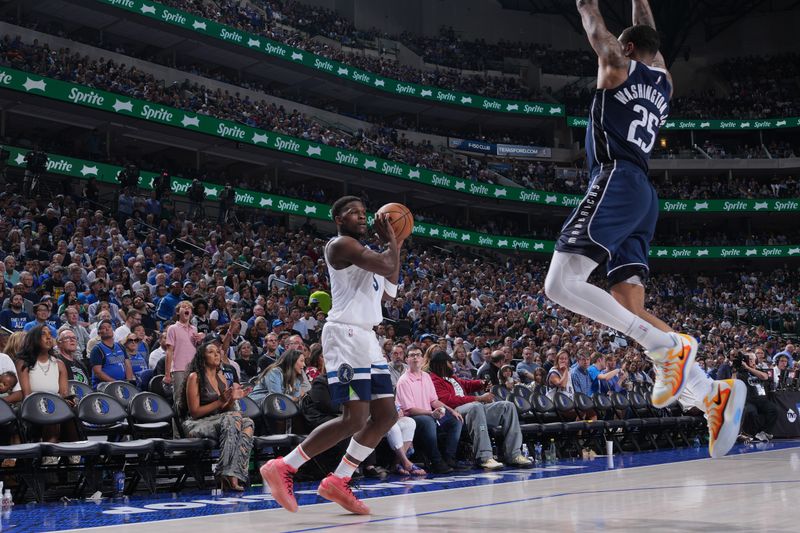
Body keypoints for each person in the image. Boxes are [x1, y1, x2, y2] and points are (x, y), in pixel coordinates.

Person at [543, 0, 745, 458]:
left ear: (626, 46)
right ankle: (709, 393)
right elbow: (650, 39)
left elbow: (595, 25)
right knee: (628, 308)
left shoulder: (615, 65)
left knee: (559, 284)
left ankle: (669, 348)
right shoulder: (665, 83)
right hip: (642, 196)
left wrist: (586, 6)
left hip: (614, 179)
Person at [261, 196, 403, 515]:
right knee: (354, 417)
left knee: (386, 416)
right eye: (354, 213)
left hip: (367, 338)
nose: (362, 217)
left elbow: (392, 291)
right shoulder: (341, 245)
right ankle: (284, 465)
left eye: (365, 213)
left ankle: (339, 479)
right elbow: (388, 264)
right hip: (345, 335)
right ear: (338, 218)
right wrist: (393, 240)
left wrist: (398, 240)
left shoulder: (371, 255)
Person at [428, 350, 531, 468]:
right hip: (454, 412)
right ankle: (484, 457)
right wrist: (478, 398)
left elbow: (466, 384)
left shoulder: (451, 377)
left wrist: (482, 383)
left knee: (508, 406)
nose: (452, 365)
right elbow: (447, 401)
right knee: (476, 406)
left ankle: (514, 454)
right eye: (450, 363)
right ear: (442, 364)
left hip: (472, 409)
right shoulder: (434, 380)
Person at [176, 341, 253, 491]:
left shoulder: (222, 376)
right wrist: (221, 401)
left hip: (221, 421)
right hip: (195, 424)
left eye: (218, 352)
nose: (216, 354)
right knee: (233, 418)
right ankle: (224, 473)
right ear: (202, 357)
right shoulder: (195, 377)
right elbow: (195, 412)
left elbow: (226, 409)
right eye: (211, 352)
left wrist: (233, 398)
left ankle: (233, 474)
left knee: (248, 422)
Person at [396, 346, 462, 474]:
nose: (415, 357)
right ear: (407, 359)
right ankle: (436, 461)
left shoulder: (426, 376)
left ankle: (449, 458)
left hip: (429, 414)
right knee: (428, 421)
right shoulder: (403, 381)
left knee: (455, 419)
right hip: (413, 418)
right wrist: (431, 413)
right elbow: (409, 409)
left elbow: (434, 400)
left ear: (422, 359)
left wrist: (450, 410)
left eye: (418, 355)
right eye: (412, 355)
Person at [164, 301, 205, 402]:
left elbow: (197, 349)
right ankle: (178, 418)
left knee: (194, 398)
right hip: (179, 369)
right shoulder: (172, 329)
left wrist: (200, 340)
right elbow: (169, 351)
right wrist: (167, 374)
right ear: (178, 312)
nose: (187, 309)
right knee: (179, 399)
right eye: (184, 307)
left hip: (193, 368)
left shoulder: (194, 329)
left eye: (189, 308)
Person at [735, 351, 778, 442]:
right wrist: (737, 370)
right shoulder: (741, 372)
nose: (751, 361)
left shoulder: (759, 370)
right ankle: (748, 434)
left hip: (762, 400)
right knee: (751, 412)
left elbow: (764, 377)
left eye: (752, 359)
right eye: (749, 359)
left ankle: (764, 432)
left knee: (774, 410)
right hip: (749, 400)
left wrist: (749, 368)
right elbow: (733, 383)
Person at [89, 319, 134, 388]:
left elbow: (127, 365)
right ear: (99, 333)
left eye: (109, 327)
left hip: (123, 383)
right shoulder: (97, 349)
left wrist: (129, 382)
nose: (107, 329)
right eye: (103, 328)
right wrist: (116, 383)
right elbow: (98, 373)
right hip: (103, 384)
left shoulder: (120, 346)